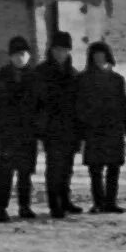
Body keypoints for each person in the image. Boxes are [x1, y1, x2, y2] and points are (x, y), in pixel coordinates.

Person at [0, 35, 43, 222]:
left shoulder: (35, 77)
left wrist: (39, 129)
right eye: (17, 54)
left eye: (24, 54)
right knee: (5, 174)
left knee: (25, 173)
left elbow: (41, 106)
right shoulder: (0, 77)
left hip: (27, 134)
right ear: (10, 56)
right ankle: (1, 208)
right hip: (6, 134)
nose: (20, 58)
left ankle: (24, 206)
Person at [76, 41, 126, 213]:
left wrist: (122, 123)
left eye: (102, 55)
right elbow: (79, 105)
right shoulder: (83, 79)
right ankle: (98, 202)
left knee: (113, 168)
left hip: (113, 128)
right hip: (93, 129)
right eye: (95, 55)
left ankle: (111, 201)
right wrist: (85, 124)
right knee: (95, 169)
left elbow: (122, 104)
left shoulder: (117, 80)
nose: (99, 58)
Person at [37, 31, 83, 218]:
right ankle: (54, 204)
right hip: (52, 128)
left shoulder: (73, 73)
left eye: (64, 49)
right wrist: (41, 127)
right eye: (57, 49)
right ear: (51, 50)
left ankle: (65, 200)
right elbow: (37, 102)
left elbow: (79, 103)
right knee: (54, 168)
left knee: (67, 168)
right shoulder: (41, 73)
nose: (60, 53)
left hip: (70, 128)